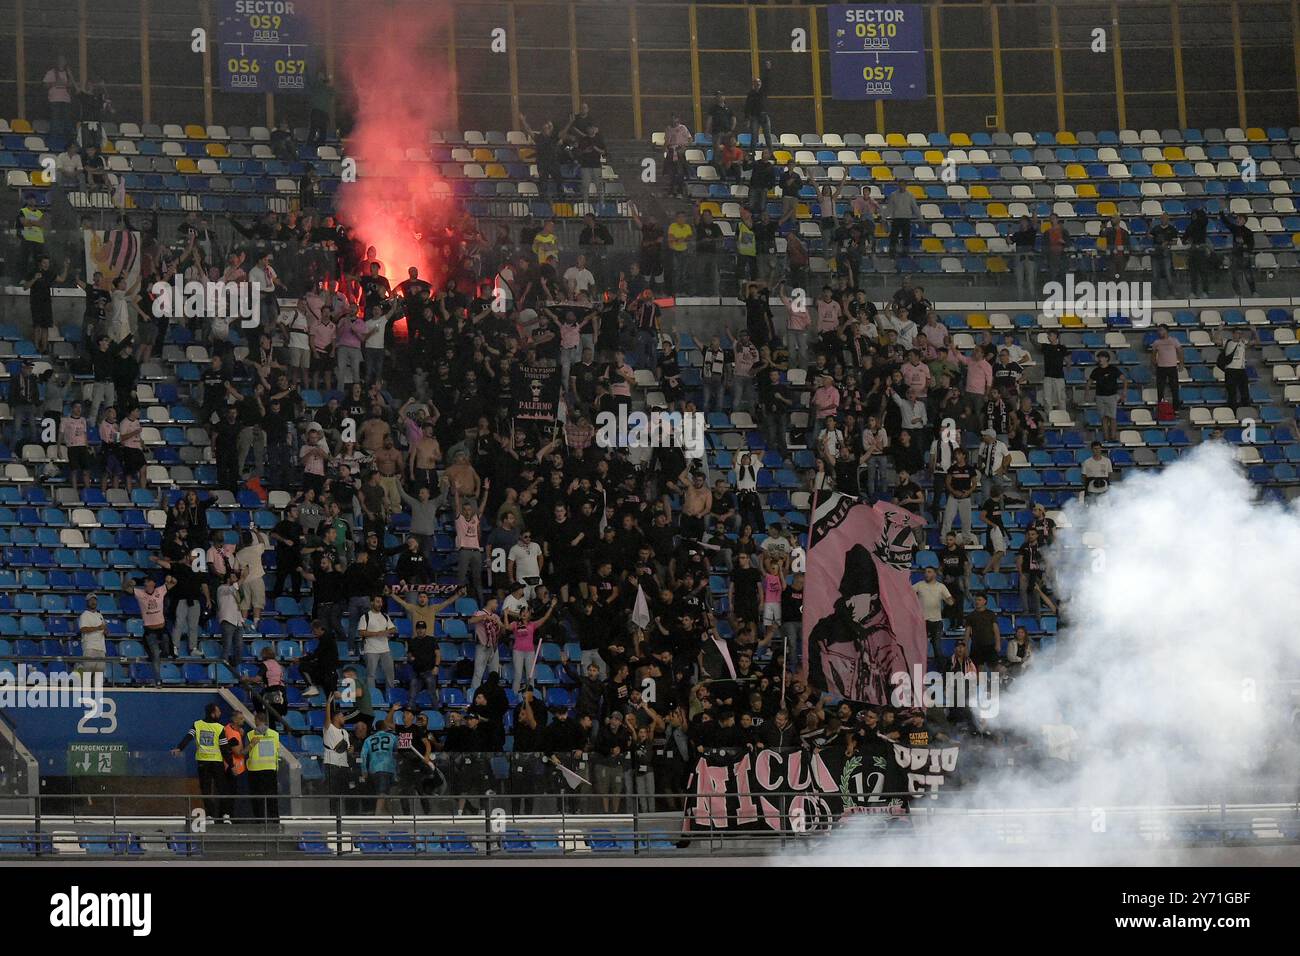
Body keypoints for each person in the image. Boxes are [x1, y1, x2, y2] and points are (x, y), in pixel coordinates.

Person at [170, 703, 234, 824]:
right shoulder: (219, 728)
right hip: (216, 762)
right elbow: (224, 748)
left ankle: (211, 815)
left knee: (206, 789)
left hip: (203, 762)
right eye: (218, 711)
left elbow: (188, 737)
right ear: (212, 713)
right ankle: (225, 815)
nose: (220, 713)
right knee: (222, 788)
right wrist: (232, 765)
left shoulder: (197, 724)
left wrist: (179, 748)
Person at [510, 598, 557, 694]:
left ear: (530, 614)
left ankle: (531, 695)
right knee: (518, 674)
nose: (524, 613)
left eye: (526, 612)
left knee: (530, 675)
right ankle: (514, 694)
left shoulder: (533, 624)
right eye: (523, 612)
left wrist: (551, 606)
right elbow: (506, 626)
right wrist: (506, 614)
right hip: (518, 651)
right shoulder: (515, 624)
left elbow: (545, 618)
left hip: (530, 652)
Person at [245, 710, 283, 825]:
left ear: (256, 720)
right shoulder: (275, 734)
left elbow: (245, 751)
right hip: (270, 769)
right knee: (272, 798)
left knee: (257, 798)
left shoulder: (250, 734)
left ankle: (260, 822)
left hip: (255, 770)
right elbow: (277, 751)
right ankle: (275, 821)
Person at [358, 594, 397, 697]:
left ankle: (390, 695)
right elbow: (361, 632)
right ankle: (373, 696)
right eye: (377, 601)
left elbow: (393, 629)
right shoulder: (365, 616)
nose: (380, 604)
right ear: (372, 603)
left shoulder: (385, 616)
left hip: (385, 649)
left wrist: (385, 631)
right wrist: (376, 633)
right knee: (371, 675)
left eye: (381, 602)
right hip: (371, 649)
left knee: (390, 673)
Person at [912, 566, 953, 664]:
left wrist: (948, 600)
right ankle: (919, 672)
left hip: (936, 621)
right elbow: (908, 593)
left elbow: (950, 601)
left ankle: (942, 673)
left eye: (929, 572)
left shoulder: (941, 586)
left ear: (934, 574)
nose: (926, 574)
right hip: (922, 621)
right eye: (925, 572)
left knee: (937, 648)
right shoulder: (919, 585)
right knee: (920, 648)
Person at [1085, 350, 1126, 443]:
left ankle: (1113, 436)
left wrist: (1124, 393)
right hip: (1100, 396)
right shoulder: (1096, 370)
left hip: (1111, 396)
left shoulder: (1113, 369)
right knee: (1103, 417)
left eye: (1102, 357)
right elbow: (1089, 382)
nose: (1100, 359)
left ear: (1106, 358)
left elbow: (1124, 379)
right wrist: (1086, 393)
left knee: (1112, 417)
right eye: (1099, 357)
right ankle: (1106, 437)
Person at [1150, 323, 1183, 412]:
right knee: (1160, 390)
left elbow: (1180, 352)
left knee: (1174, 389)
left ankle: (1176, 409)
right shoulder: (1156, 342)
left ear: (1166, 330)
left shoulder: (1174, 341)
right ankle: (1161, 408)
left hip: (1172, 367)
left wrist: (1181, 364)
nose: (1159, 332)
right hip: (1161, 368)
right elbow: (1153, 355)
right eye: (1159, 330)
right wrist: (1154, 365)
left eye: (1161, 330)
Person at [76, 593, 108, 675]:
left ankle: (98, 688)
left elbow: (105, 629)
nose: (93, 602)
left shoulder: (100, 615)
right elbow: (83, 629)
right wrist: (98, 628)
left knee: (99, 675)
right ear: (87, 602)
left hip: (101, 648)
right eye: (91, 600)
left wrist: (105, 631)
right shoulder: (85, 615)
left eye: (94, 600)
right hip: (90, 647)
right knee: (88, 674)